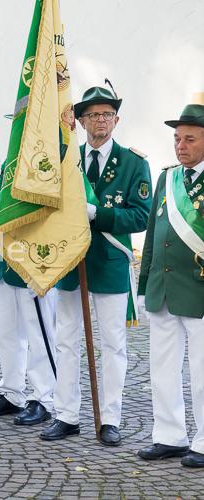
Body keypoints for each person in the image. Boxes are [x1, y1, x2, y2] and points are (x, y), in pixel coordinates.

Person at [40, 84, 152, 446]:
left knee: (114, 344)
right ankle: (66, 415)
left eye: (106, 114)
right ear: (81, 121)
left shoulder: (135, 163)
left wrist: (97, 214)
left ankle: (110, 419)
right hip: (71, 263)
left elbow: (140, 216)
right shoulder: (65, 160)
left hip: (109, 263)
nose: (99, 121)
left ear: (116, 120)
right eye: (92, 115)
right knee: (66, 340)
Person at [136, 104, 204, 468]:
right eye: (177, 139)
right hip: (164, 288)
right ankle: (169, 435)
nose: (181, 145)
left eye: (190, 139)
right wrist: (145, 282)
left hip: (199, 290)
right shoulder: (167, 178)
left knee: (203, 371)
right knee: (162, 367)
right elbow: (152, 236)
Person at [0, 161, 57, 425]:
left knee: (41, 337)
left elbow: (58, 217)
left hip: (36, 262)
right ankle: (11, 392)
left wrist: (48, 266)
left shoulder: (54, 161)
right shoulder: (9, 162)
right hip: (5, 260)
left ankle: (43, 397)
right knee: (8, 334)